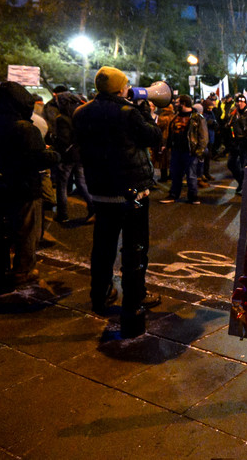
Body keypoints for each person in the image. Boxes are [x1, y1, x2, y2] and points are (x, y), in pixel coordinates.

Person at [73, 67, 163, 337]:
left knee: (103, 246)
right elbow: (154, 138)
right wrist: (145, 110)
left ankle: (98, 296)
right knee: (135, 249)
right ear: (120, 88)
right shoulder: (128, 113)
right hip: (132, 192)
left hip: (100, 191)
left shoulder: (82, 112)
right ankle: (134, 302)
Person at [0, 82, 59, 293]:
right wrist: (53, 155)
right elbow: (36, 158)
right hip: (23, 187)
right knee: (26, 231)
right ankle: (23, 270)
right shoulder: (25, 128)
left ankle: (2, 269)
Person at [51, 91, 94, 222]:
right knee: (82, 183)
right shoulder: (81, 115)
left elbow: (64, 140)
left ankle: (62, 214)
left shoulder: (62, 118)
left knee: (62, 185)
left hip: (67, 156)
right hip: (80, 153)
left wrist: (54, 141)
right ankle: (93, 209)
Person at [159, 94, 208, 205]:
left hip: (190, 151)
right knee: (175, 174)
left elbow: (203, 136)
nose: (175, 104)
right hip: (176, 151)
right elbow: (170, 132)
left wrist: (199, 151)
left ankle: (193, 196)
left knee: (191, 175)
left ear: (183, 104)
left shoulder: (197, 118)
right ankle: (173, 194)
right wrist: (166, 145)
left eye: (177, 102)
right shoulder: (176, 117)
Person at [223, 94, 247, 194]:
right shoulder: (233, 113)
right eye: (238, 102)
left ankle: (246, 186)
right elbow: (228, 127)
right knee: (231, 164)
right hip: (234, 143)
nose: (240, 104)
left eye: (242, 102)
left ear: (245, 102)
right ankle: (241, 182)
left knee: (245, 166)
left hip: (246, 143)